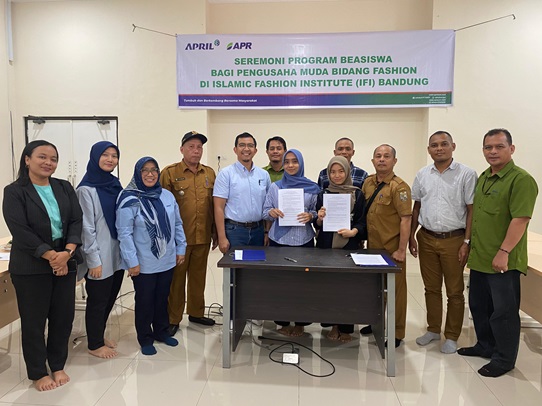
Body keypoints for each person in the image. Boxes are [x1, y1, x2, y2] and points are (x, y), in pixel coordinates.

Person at [2, 140, 83, 391]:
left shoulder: (64, 187)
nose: (49, 162)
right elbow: (20, 230)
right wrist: (51, 256)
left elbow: (76, 221)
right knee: (34, 322)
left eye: (54, 158)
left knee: (62, 318)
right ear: (27, 159)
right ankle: (38, 372)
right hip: (31, 266)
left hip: (65, 260)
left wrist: (67, 253)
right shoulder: (15, 191)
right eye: (42, 157)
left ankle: (57, 364)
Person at [458, 129, 538, 378]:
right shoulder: (484, 177)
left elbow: (520, 219)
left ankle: (504, 359)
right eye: (488, 147)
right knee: (480, 306)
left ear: (511, 149)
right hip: (480, 258)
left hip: (503, 261)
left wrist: (504, 251)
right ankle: (485, 345)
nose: (493, 151)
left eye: (499, 147)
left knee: (503, 312)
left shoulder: (520, 179)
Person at [409, 131, 477, 354]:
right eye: (434, 145)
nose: (439, 148)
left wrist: (467, 241)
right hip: (426, 237)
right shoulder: (422, 174)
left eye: (444, 144)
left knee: (455, 291)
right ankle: (433, 329)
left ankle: (452, 335)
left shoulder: (466, 174)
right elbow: (417, 206)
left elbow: (471, 210)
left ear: (453, 146)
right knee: (430, 288)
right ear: (429, 149)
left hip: (454, 239)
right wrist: (412, 235)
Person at [116, 157, 187, 356]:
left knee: (162, 298)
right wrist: (132, 262)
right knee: (145, 300)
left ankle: (161, 331)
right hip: (143, 262)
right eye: (145, 170)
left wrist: (181, 248)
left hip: (167, 259)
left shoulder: (166, 195)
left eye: (154, 170)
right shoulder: (128, 198)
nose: (150, 174)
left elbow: (178, 224)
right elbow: (124, 233)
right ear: (138, 173)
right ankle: (145, 337)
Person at [160, 131, 218, 335]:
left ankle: (196, 312)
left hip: (202, 236)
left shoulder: (209, 173)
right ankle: (173, 318)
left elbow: (214, 206)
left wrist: (215, 233)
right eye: (191, 146)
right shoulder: (169, 173)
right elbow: (162, 206)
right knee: (177, 280)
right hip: (179, 240)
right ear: (182, 149)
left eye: (199, 147)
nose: (196, 151)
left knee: (198, 277)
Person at [262, 149, 319, 336]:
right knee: (280, 284)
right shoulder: (276, 187)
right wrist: (272, 212)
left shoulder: (312, 187)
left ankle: (301, 323)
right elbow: (264, 211)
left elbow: (318, 213)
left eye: (295, 161)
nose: (291, 165)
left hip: (304, 241)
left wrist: (311, 215)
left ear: (301, 164)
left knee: (303, 285)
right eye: (287, 162)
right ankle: (283, 321)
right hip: (279, 240)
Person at [77, 141, 125, 359]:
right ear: (95, 157)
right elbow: (86, 228)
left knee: (110, 297)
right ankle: (94, 344)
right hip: (99, 255)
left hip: (116, 254)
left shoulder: (114, 184)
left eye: (114, 156)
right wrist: (93, 260)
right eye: (105, 155)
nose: (110, 159)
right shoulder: (86, 190)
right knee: (97, 300)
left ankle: (98, 333)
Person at [360, 144, 412, 348]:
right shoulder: (368, 183)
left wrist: (401, 249)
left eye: (386, 156)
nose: (382, 159)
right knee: (375, 288)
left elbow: (406, 219)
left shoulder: (400, 187)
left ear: (394, 161)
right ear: (373, 160)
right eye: (378, 156)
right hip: (372, 247)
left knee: (396, 291)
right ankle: (376, 323)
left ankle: (397, 331)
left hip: (392, 249)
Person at [315, 156, 366, 342]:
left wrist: (354, 232)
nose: (337, 176)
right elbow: (317, 224)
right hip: (326, 245)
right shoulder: (323, 194)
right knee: (328, 286)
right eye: (333, 172)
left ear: (347, 172)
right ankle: (332, 324)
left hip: (349, 245)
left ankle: (345, 327)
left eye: (341, 171)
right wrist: (319, 217)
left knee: (346, 287)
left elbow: (362, 221)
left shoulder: (357, 194)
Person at [213, 132, 271, 254]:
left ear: (255, 150)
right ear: (235, 149)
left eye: (250, 145)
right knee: (235, 270)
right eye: (242, 145)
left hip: (258, 231)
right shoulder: (226, 174)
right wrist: (222, 237)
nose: (246, 149)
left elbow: (268, 206)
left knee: (256, 269)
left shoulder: (263, 175)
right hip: (235, 232)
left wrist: (267, 232)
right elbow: (218, 207)